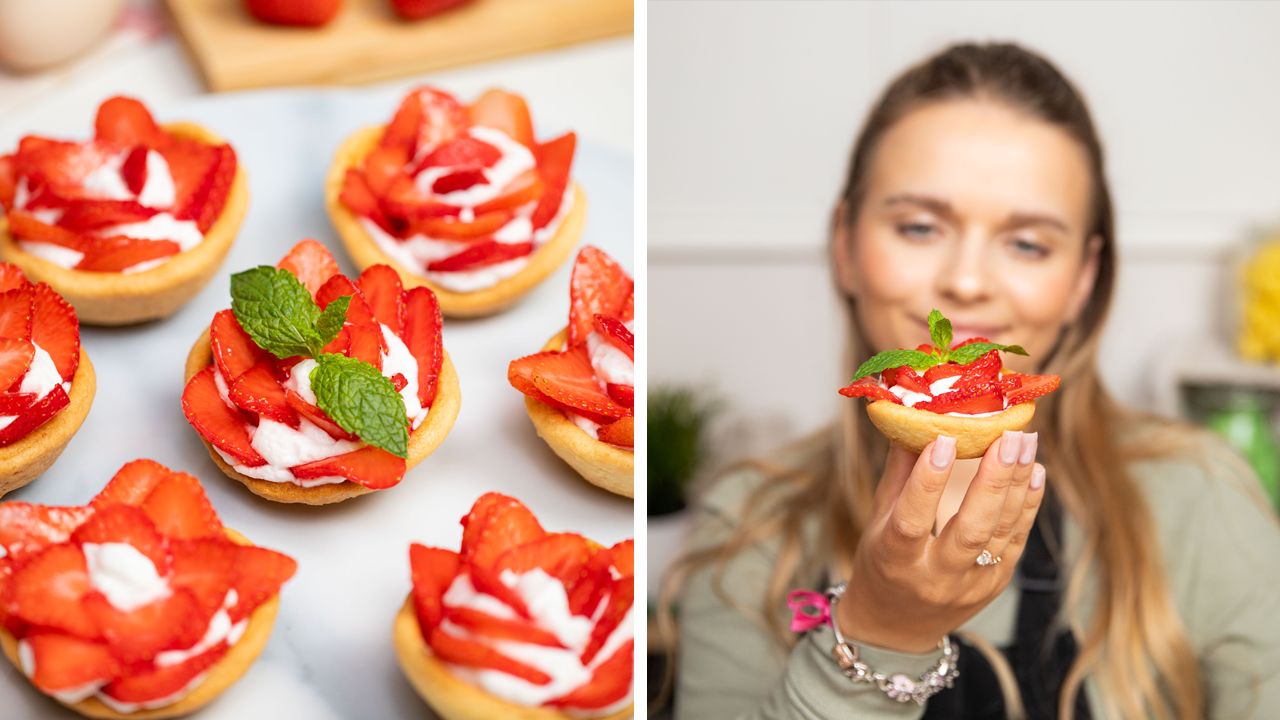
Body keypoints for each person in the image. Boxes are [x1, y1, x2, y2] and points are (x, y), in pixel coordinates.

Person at [663, 42, 1280, 720]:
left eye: (1028, 244)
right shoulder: (749, 521)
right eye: (920, 227)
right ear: (845, 245)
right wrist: (881, 629)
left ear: (1081, 280)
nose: (966, 282)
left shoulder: (1202, 497)